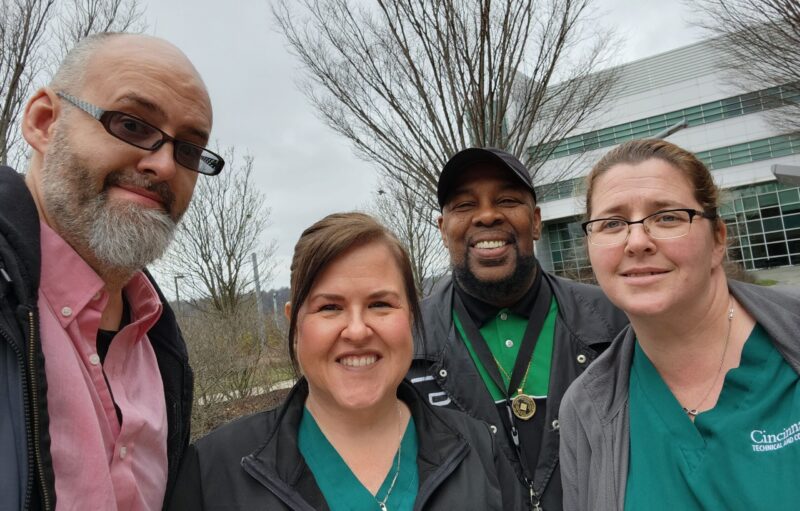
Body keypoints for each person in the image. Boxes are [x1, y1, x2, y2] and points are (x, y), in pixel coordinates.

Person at [0, 33, 224, 510]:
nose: (164, 165)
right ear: (44, 122)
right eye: (131, 124)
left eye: (187, 150)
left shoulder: (159, 341)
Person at [169, 212, 525, 510]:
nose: (356, 330)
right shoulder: (213, 470)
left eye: (380, 304)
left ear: (413, 317)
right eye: (330, 308)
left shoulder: (479, 450)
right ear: (294, 325)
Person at [559, 139, 800, 511]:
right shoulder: (585, 409)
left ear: (718, 239)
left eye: (667, 217)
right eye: (612, 223)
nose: (637, 241)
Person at [407, 148, 628, 510]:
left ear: (536, 221)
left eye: (507, 200)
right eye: (463, 205)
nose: (488, 215)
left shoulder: (617, 320)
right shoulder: (407, 341)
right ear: (443, 230)